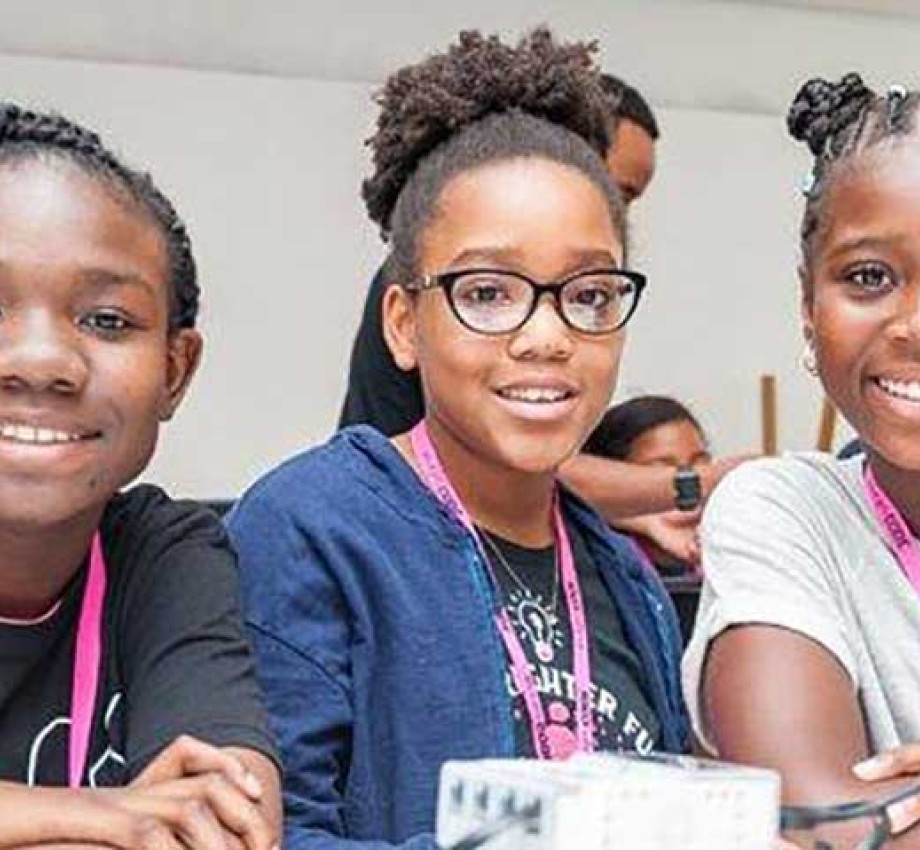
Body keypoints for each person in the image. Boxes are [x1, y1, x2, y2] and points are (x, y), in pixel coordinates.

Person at [229, 28, 689, 850]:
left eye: (588, 295)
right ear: (404, 324)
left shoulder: (625, 577)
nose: (547, 335)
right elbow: (265, 837)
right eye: (487, 291)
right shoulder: (310, 530)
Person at [0, 103, 280, 849]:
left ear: (174, 372)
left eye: (106, 320)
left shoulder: (167, 554)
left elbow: (228, 825)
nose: (41, 362)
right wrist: (96, 815)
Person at [683, 73, 920, 845]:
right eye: (868, 278)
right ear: (808, 308)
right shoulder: (783, 513)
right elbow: (827, 823)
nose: (911, 326)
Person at [583, 395, 711, 575]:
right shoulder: (597, 564)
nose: (689, 490)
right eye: (661, 472)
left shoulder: (723, 552)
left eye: (700, 464)